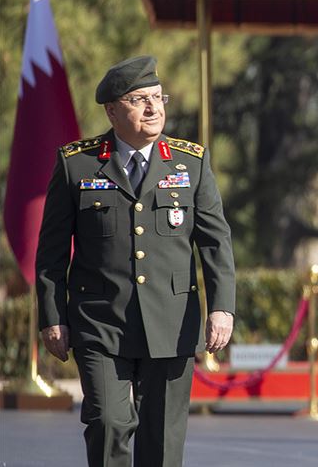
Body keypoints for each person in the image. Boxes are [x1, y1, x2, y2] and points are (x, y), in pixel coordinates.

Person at [36, 55, 236, 467]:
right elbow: (52, 250)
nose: (153, 108)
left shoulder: (191, 162)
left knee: (162, 439)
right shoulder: (77, 163)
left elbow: (215, 242)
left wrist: (222, 308)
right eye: (139, 99)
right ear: (112, 110)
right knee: (108, 422)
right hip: (99, 320)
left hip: (171, 318)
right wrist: (52, 316)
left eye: (158, 98)